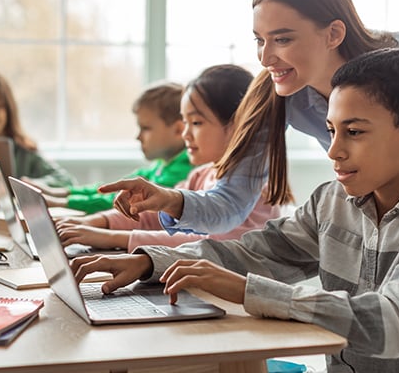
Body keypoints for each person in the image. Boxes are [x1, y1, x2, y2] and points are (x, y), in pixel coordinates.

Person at [72, 48, 399, 373]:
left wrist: (247, 290)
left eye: (354, 132)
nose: (333, 151)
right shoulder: (332, 201)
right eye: (331, 130)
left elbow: (392, 323)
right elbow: (256, 252)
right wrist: (151, 262)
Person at [100, 0, 399, 236]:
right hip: (376, 184)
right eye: (259, 39)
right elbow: (233, 203)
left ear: (334, 33)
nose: (265, 59)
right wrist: (168, 199)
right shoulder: (278, 95)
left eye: (282, 39)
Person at [56, 64, 283, 251]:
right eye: (185, 123)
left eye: (196, 123)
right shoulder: (200, 175)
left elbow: (208, 245)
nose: (184, 134)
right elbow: (153, 216)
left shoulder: (255, 191)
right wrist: (93, 223)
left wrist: (112, 238)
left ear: (237, 125)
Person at [29, 82, 193, 214]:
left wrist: (58, 202)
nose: (138, 137)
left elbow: (117, 203)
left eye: (146, 128)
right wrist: (60, 192)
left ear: (178, 130)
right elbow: (113, 188)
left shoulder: (185, 170)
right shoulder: (161, 165)